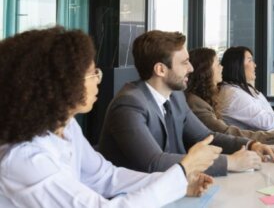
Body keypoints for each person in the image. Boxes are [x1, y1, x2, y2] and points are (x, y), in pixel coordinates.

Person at [0, 27, 220, 207]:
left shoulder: (66, 127)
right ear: (59, 84)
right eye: (93, 73)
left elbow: (105, 177)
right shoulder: (23, 160)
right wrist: (182, 170)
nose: (98, 80)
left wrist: (180, 183)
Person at [98, 31, 274, 177]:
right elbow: (154, 163)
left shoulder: (176, 96)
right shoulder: (129, 104)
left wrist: (252, 144)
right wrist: (231, 163)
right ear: (161, 69)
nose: (191, 68)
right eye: (185, 63)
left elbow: (206, 136)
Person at [185, 47, 274, 144]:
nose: (221, 67)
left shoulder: (212, 96)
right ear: (206, 71)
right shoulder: (198, 102)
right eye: (217, 64)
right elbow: (225, 132)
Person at [217, 46, 274, 131]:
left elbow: (270, 116)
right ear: (237, 66)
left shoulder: (244, 89)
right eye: (250, 61)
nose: (255, 65)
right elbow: (266, 123)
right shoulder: (234, 95)